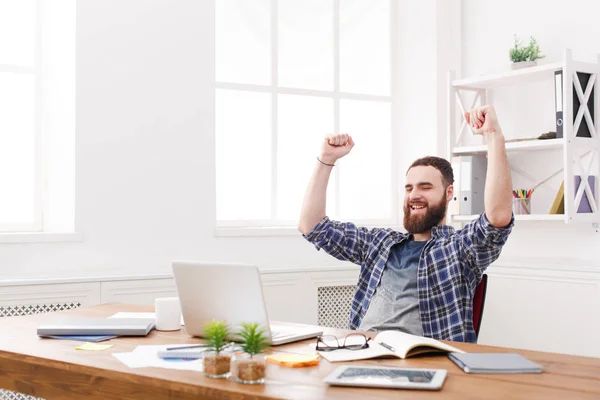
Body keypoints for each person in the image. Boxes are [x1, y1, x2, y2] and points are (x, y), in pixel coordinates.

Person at [298, 105, 514, 343]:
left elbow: (497, 217)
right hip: (362, 351)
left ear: (449, 192)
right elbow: (312, 226)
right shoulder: (380, 243)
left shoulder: (459, 248)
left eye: (425, 187)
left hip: (423, 361)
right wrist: (326, 159)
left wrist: (493, 136)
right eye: (409, 188)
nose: (414, 195)